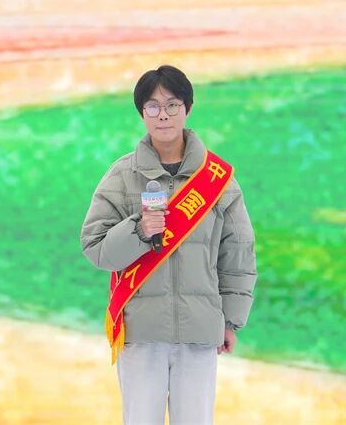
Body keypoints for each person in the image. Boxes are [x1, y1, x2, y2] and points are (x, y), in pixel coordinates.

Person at [81, 65, 257, 425]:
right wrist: (139, 230)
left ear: (187, 108)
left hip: (200, 331)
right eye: (152, 106)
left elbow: (238, 253)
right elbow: (96, 247)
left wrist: (231, 321)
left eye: (172, 104)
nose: (163, 115)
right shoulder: (121, 175)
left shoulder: (218, 179)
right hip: (140, 332)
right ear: (141, 113)